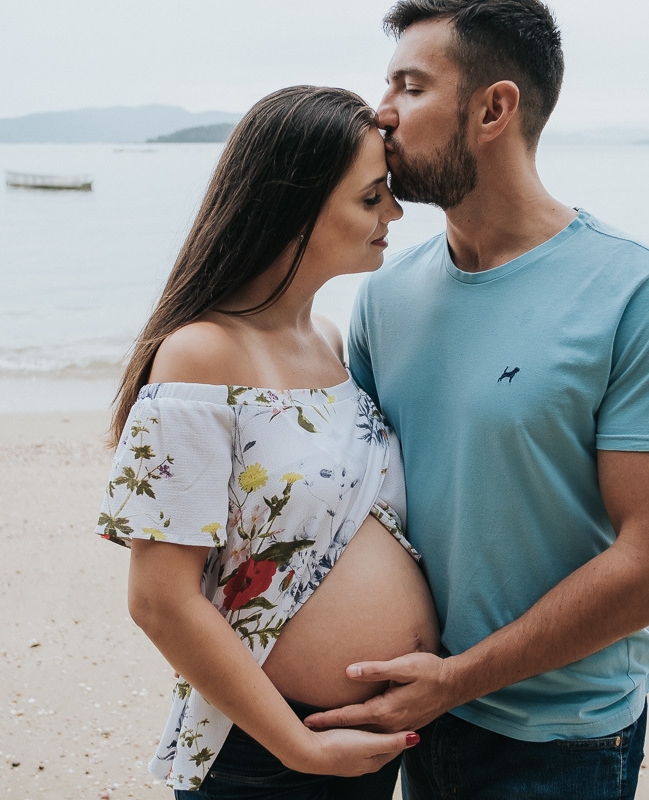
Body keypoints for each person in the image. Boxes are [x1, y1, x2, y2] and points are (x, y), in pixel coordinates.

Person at [301, 3, 649, 798]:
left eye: (410, 87)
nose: (378, 114)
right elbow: (357, 500)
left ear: (493, 108)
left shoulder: (643, 291)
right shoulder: (385, 298)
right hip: (410, 717)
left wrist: (457, 678)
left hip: (561, 737)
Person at [93, 85, 440, 798]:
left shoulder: (329, 341)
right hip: (273, 757)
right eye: (372, 197)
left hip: (371, 747)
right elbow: (159, 600)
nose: (395, 214)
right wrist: (298, 749)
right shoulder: (199, 354)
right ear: (297, 205)